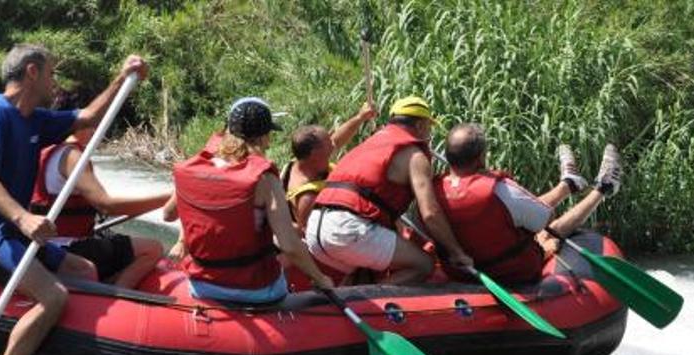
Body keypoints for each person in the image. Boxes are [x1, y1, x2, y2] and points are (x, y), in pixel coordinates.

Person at [0, 44, 148, 355]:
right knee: (54, 296)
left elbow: (87, 117)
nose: (55, 82)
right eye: (51, 72)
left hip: (9, 235)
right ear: (32, 72)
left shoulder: (35, 119)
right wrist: (23, 217)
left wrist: (123, 78)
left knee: (84, 270)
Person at [166, 97, 334, 303]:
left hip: (201, 286)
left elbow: (168, 214)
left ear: (228, 130)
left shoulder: (194, 168)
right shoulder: (265, 178)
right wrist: (321, 279)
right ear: (264, 137)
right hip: (256, 290)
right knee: (292, 248)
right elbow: (289, 245)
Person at [306, 96, 473, 284]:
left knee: (363, 270)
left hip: (315, 230)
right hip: (345, 230)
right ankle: (371, 303)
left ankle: (350, 298)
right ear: (419, 125)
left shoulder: (372, 142)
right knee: (424, 265)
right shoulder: (415, 155)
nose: (428, 132)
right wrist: (456, 252)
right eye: (428, 126)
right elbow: (430, 213)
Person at [433, 123, 621, 285]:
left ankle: (568, 184)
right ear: (481, 157)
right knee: (549, 231)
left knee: (520, 214)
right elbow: (547, 217)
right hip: (509, 271)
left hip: (460, 272)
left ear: (448, 155)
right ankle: (604, 188)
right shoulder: (501, 190)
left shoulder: (432, 193)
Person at [31, 96, 170, 288]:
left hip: (45, 245)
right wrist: (168, 197)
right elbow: (106, 205)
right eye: (91, 122)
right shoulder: (72, 156)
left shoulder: (44, 149)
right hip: (66, 247)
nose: (95, 128)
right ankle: (116, 298)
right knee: (153, 248)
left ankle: (108, 283)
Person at [283, 101, 377, 231]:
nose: (333, 145)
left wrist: (360, 117)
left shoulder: (306, 160)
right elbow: (315, 235)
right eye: (328, 144)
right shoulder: (307, 198)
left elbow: (337, 140)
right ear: (315, 154)